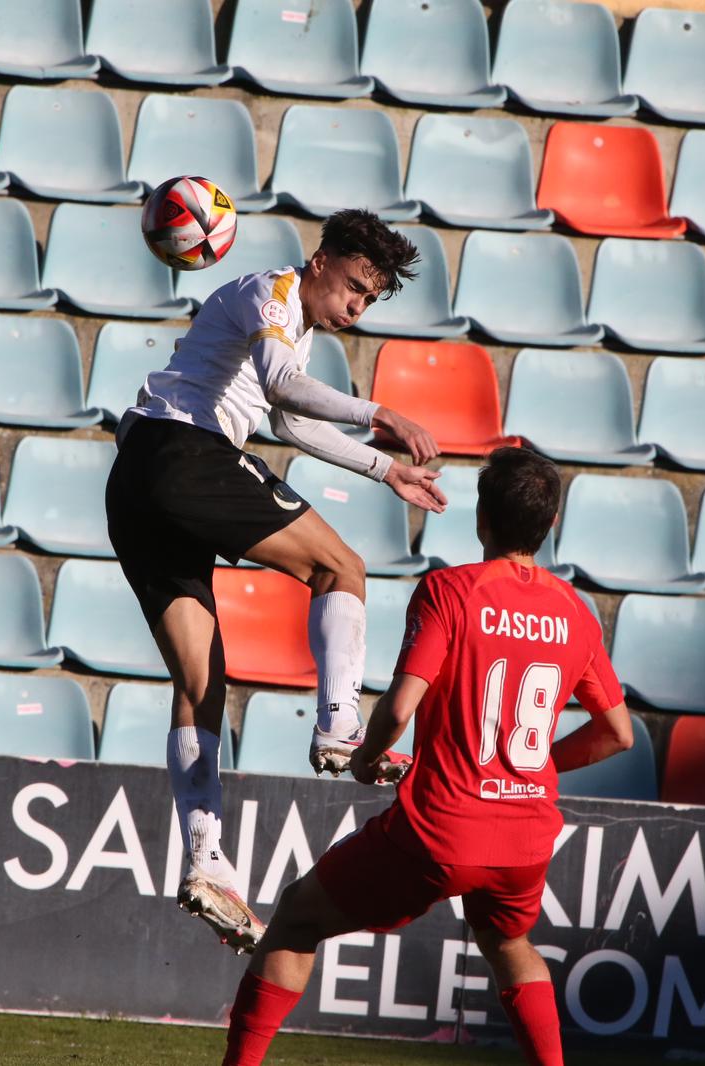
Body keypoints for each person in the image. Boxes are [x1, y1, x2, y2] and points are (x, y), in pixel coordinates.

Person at [104, 210, 449, 953]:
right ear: (322, 260)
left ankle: (205, 861)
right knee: (343, 567)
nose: (357, 307)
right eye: (355, 286)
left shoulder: (294, 324)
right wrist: (379, 414)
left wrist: (382, 467)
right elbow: (284, 388)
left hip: (135, 483)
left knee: (202, 682)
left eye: (370, 299)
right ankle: (338, 724)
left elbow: (288, 422)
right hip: (183, 454)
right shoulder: (270, 291)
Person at [220, 447, 634, 1066]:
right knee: (511, 945)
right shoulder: (576, 612)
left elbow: (399, 706)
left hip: (443, 828)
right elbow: (617, 733)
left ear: (481, 521)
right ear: (550, 527)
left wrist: (366, 760)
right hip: (525, 835)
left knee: (298, 919)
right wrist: (535, 766)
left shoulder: (450, 590)